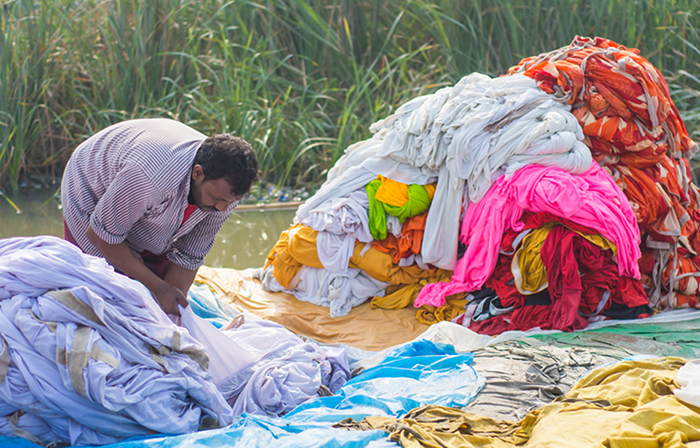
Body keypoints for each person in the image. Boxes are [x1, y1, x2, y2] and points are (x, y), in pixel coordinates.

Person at [61, 118, 259, 317]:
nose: (222, 208)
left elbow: (189, 255)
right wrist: (159, 288)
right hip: (92, 189)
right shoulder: (150, 177)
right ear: (198, 173)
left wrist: (173, 309)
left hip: (142, 195)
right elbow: (101, 234)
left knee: (155, 301)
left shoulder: (225, 193)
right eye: (217, 199)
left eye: (229, 202)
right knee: (112, 295)